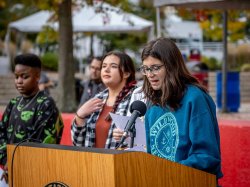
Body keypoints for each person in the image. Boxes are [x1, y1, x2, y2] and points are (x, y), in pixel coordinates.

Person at [139, 37, 223, 179]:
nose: (150, 74)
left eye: (156, 68)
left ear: (172, 66)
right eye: (146, 69)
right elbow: (152, 153)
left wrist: (169, 172)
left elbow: (206, 156)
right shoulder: (152, 104)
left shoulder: (195, 98)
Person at [0, 53, 64, 183]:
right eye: (16, 77)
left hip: (35, 173)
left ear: (38, 77)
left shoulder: (46, 104)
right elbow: (1, 133)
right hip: (8, 171)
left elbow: (42, 141)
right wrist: (6, 161)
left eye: (25, 77)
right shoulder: (13, 103)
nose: (19, 81)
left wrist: (15, 166)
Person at [71, 51, 137, 149]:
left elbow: (144, 139)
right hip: (93, 162)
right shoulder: (98, 99)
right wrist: (80, 115)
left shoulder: (137, 99)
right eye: (104, 66)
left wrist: (129, 136)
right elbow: (78, 144)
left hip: (120, 162)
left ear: (126, 73)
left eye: (113, 66)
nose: (106, 69)